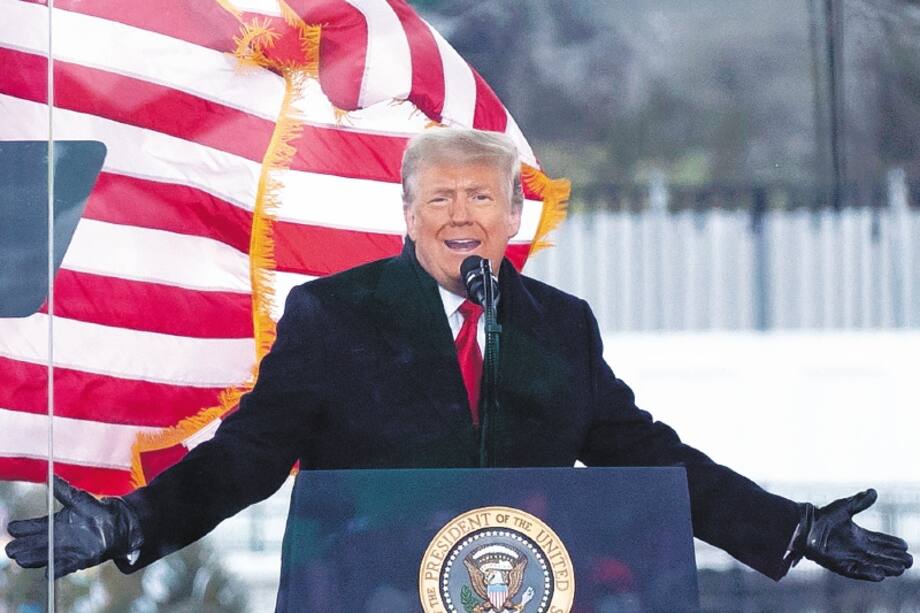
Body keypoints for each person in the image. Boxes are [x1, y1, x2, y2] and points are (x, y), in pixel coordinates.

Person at [5, 129, 912, 584]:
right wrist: (133, 525)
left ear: (514, 216)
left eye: (482, 196)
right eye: (438, 198)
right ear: (405, 214)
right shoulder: (334, 316)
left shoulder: (557, 324)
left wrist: (789, 529)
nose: (460, 216)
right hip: (369, 598)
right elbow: (244, 459)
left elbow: (648, 454)